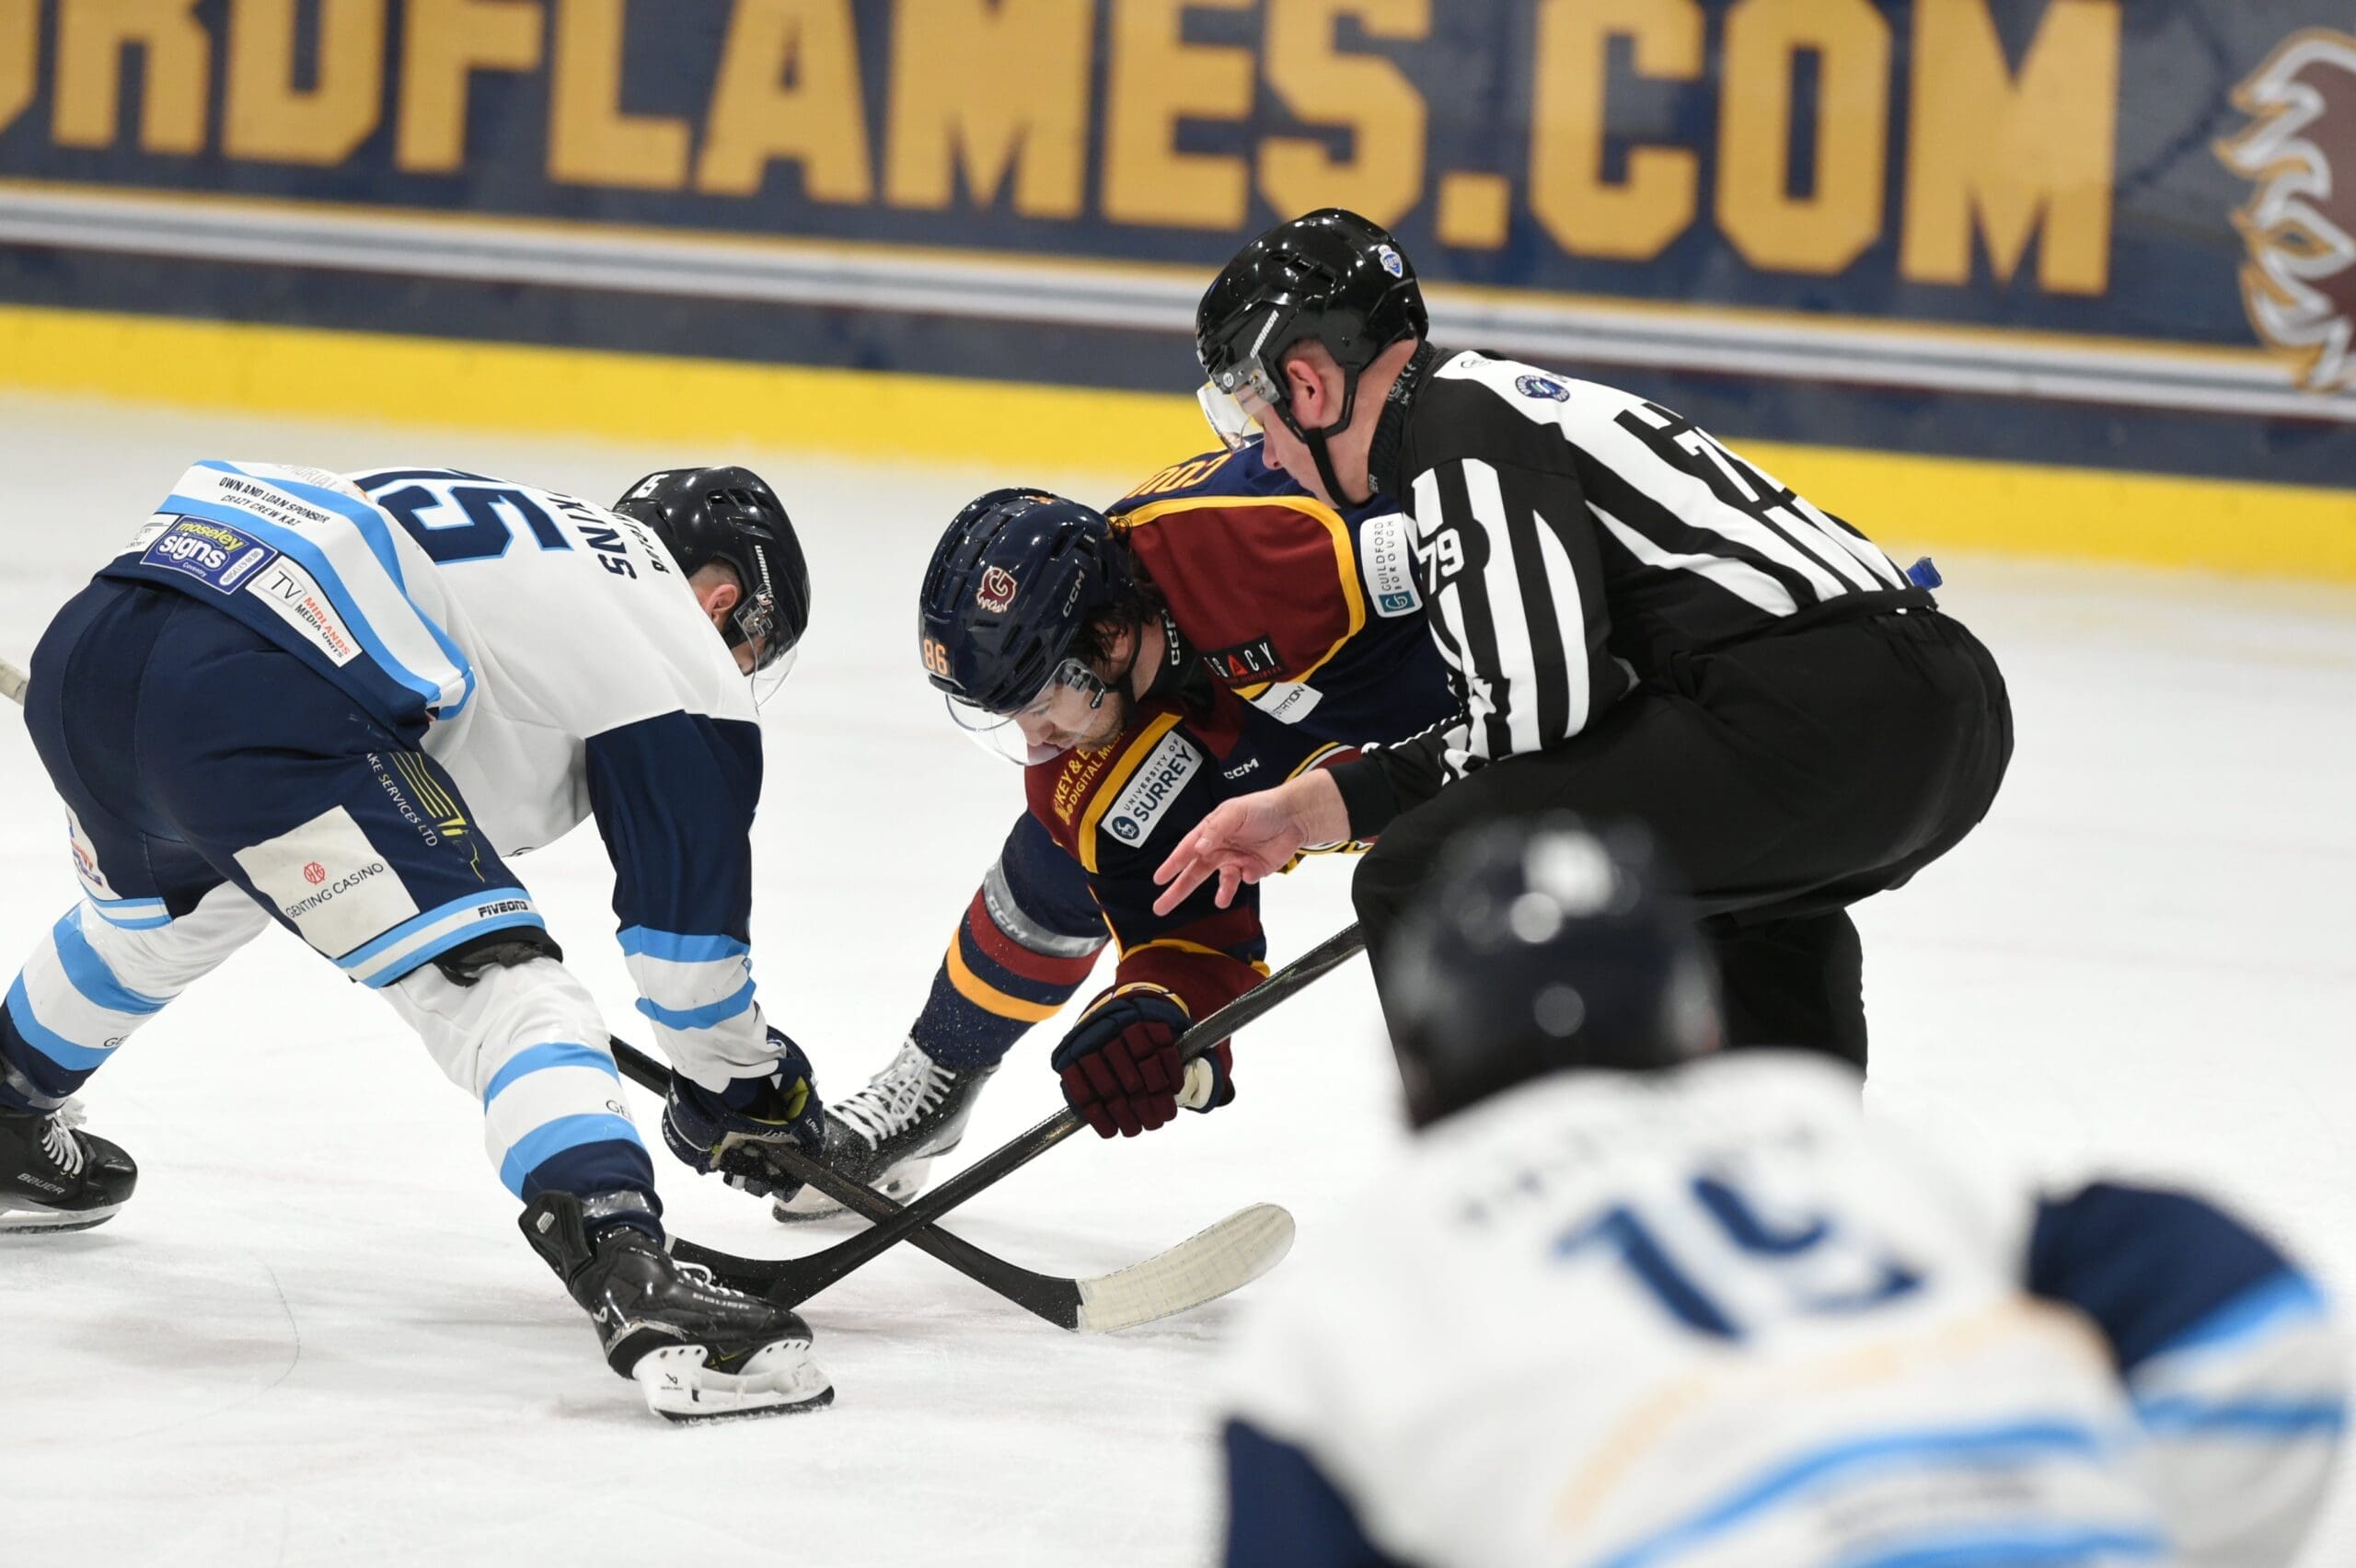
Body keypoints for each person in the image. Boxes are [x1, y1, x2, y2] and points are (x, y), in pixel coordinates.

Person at [1220, 817, 2348, 1567]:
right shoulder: (1823, 1129)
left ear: (1417, 1054)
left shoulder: (1375, 1266)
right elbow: (2265, 1330)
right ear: (1696, 1021)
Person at [0, 459, 834, 1423]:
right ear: (722, 598)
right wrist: (747, 1093)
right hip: (253, 698)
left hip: (99, 645)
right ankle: (632, 1272)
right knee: (512, 992)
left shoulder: (535, 544)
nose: (739, 673)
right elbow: (684, 963)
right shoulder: (673, 640)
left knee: (164, 923)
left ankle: (8, 1107)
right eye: (753, 646)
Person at [1160, 210, 2014, 1070]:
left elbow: (1537, 724)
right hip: (1940, 721)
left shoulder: (1456, 435)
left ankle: (1531, 1184)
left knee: (1420, 876)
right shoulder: (1503, 403)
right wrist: (1310, 810)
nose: (1265, 455)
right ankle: (1790, 1179)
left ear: (1307, 386)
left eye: (1253, 418)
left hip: (1820, 715)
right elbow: (1573, 736)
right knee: (1732, 903)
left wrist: (1354, 809)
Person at [775, 443, 1456, 1219]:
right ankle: (938, 1072)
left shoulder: (1266, 544)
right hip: (1368, 782)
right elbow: (1196, 945)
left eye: (1035, 702)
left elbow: (1508, 537)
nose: (1034, 742)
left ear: (1109, 639)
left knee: (1461, 919)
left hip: (1532, 728)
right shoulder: (1089, 765)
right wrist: (1156, 1012)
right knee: (1060, 853)